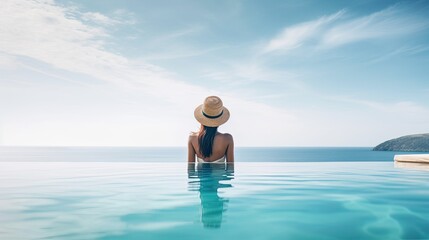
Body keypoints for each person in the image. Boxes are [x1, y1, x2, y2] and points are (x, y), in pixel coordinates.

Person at [188, 96, 234, 163]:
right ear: (219, 119)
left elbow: (190, 169)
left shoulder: (192, 138)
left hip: (200, 174)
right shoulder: (227, 138)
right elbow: (230, 168)